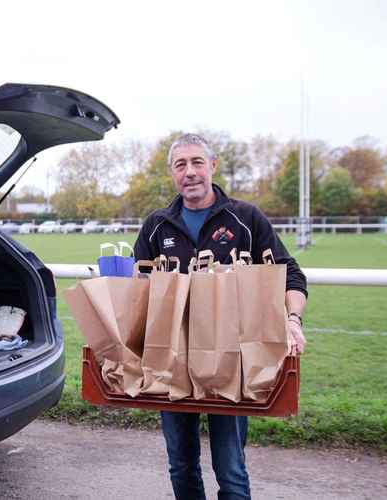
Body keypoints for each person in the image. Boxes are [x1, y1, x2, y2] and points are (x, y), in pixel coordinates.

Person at [133, 133, 308, 500]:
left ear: (212, 166)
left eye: (197, 162)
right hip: (172, 363)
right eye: (181, 165)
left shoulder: (245, 218)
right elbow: (137, 291)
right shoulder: (156, 225)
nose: (190, 172)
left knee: (230, 469)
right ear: (171, 173)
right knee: (180, 464)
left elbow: (289, 273)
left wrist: (292, 321)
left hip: (232, 361)